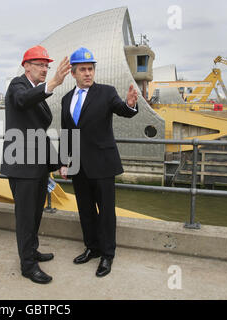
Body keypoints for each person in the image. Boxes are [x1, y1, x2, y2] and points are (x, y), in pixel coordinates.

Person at [59, 47, 138, 277]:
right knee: (85, 210)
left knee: (105, 212)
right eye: (82, 69)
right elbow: (66, 133)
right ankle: (92, 248)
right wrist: (64, 162)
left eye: (90, 69)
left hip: (102, 164)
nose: (88, 73)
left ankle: (107, 255)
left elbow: (123, 110)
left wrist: (131, 104)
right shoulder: (65, 99)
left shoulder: (106, 92)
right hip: (78, 166)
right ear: (73, 73)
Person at [0, 45, 71, 284]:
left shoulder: (36, 92)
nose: (45, 69)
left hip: (38, 166)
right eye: (40, 64)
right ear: (26, 66)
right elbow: (22, 101)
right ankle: (28, 266)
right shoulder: (17, 86)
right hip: (22, 166)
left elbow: (41, 133)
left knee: (35, 213)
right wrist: (52, 83)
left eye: (46, 65)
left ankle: (32, 251)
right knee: (25, 217)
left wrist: (58, 162)